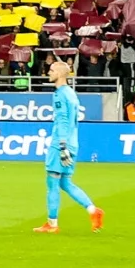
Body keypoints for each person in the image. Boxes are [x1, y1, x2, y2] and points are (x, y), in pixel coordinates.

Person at [37, 57, 101, 233]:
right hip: (73, 142)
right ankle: (93, 210)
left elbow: (63, 119)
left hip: (61, 143)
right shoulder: (71, 93)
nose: (48, 73)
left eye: (50, 70)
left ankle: (52, 224)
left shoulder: (59, 94)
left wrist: (62, 145)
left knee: (52, 183)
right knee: (65, 183)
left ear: (59, 73)